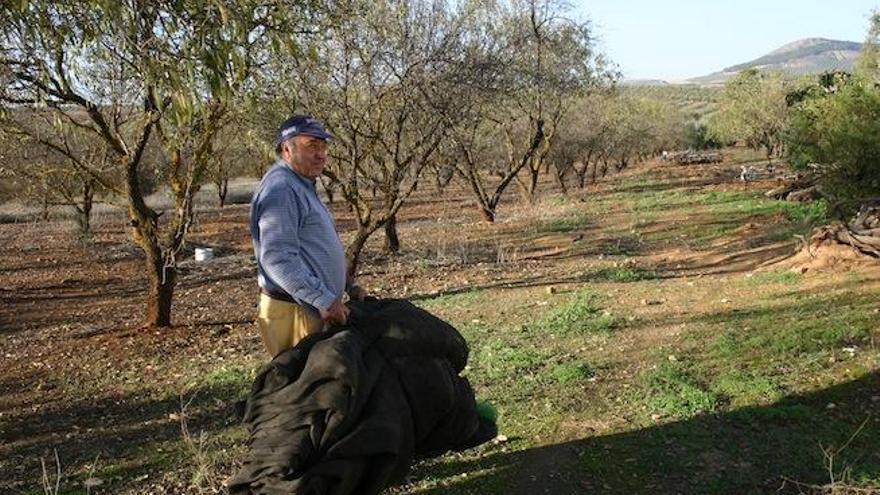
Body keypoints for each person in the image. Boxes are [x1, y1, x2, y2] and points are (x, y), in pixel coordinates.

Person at [249, 115, 366, 357]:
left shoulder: (301, 184)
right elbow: (277, 258)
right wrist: (323, 299)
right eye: (312, 146)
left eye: (323, 147)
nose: (321, 154)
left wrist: (348, 284)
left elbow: (317, 246)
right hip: (296, 311)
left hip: (311, 308)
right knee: (303, 390)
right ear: (286, 149)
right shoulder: (281, 189)